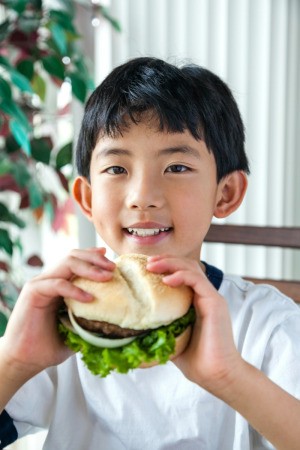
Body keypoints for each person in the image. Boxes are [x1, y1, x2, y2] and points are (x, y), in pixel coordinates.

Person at [0, 57, 300, 450]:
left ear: (225, 194)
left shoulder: (267, 322)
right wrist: (15, 360)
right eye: (116, 169)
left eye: (176, 167)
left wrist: (230, 377)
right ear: (86, 199)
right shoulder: (68, 312)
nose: (143, 197)